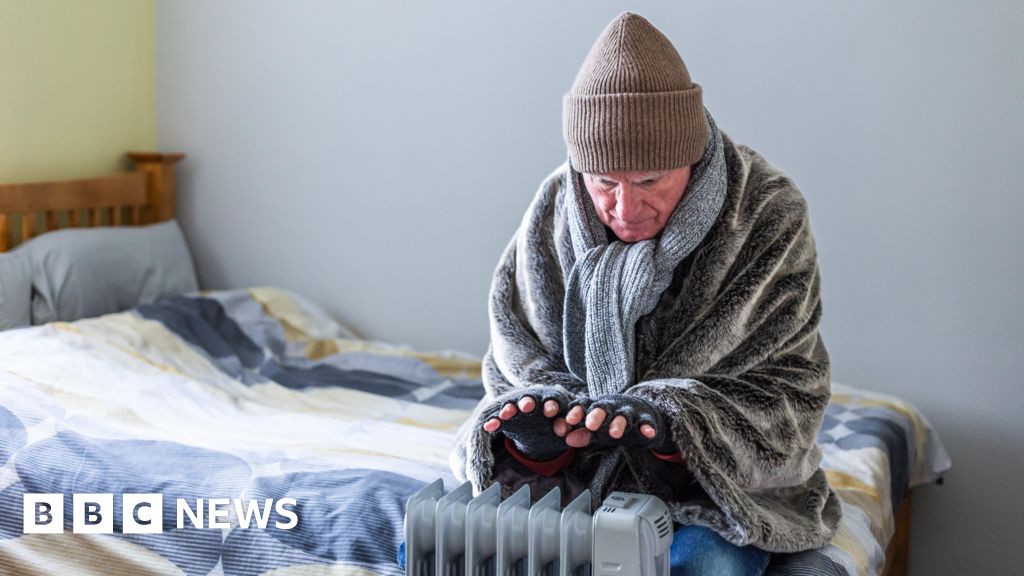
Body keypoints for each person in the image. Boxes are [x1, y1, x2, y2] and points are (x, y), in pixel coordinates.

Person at [449, 11, 842, 576]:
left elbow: (786, 389)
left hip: (720, 492)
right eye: (604, 182)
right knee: (440, 547)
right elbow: (515, 358)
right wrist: (541, 435)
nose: (625, 209)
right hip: (573, 482)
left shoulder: (766, 213)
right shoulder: (554, 207)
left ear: (692, 154)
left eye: (650, 180)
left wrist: (670, 426)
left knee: (702, 563)